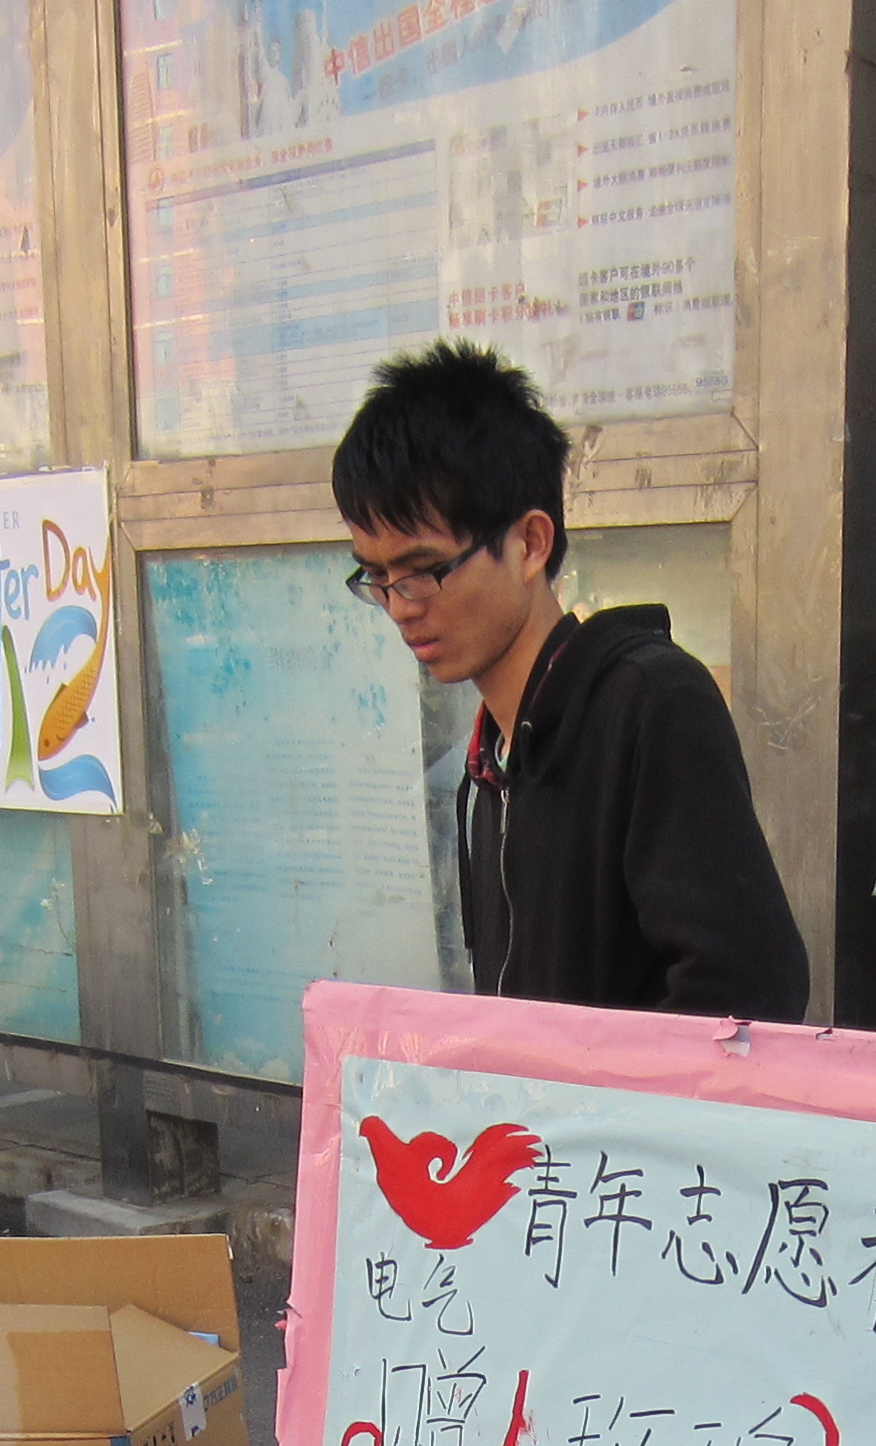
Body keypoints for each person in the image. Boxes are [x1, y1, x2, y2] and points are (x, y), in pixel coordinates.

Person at [331, 341, 808, 1021]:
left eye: (422, 569)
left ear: (530, 544)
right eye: (375, 577)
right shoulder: (494, 759)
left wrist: (595, 1113)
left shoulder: (650, 705)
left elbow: (752, 985)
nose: (401, 604)